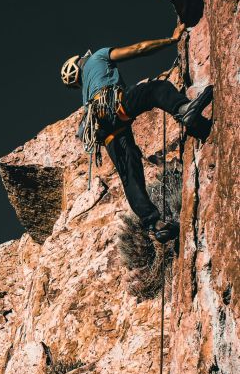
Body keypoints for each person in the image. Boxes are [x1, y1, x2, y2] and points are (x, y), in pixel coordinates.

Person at [60, 22, 213, 243]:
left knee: (130, 176)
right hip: (114, 106)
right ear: (81, 59)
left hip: (104, 131)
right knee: (155, 90)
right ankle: (184, 110)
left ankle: (154, 224)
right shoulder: (98, 57)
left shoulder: (86, 91)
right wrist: (171, 40)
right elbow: (138, 49)